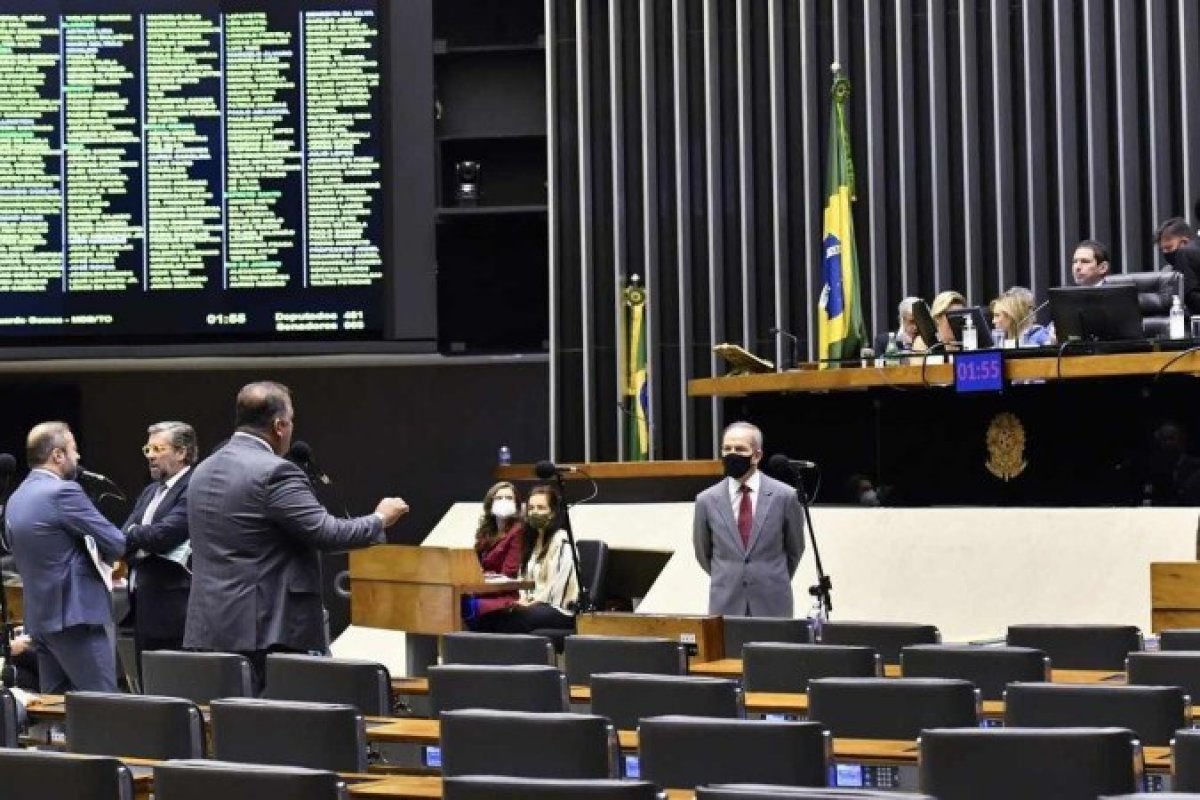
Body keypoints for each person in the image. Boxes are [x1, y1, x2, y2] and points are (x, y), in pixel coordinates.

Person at [183, 381, 410, 689]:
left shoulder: (202, 471)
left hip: (210, 626)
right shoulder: (275, 472)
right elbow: (326, 533)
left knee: (229, 725)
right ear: (279, 425)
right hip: (267, 631)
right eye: (291, 421)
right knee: (279, 727)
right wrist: (380, 519)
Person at [5, 422, 125, 692]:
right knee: (105, 706)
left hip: (41, 620)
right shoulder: (63, 492)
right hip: (76, 617)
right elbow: (117, 543)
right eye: (74, 449)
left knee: (60, 709)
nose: (78, 457)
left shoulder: (17, 497)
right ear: (58, 455)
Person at [693, 421, 805, 617]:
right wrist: (731, 575)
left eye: (740, 449)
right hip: (726, 604)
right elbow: (704, 553)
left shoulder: (785, 496)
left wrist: (768, 577)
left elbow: (795, 549)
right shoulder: (706, 500)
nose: (732, 454)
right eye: (727, 449)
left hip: (772, 604)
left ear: (757, 455)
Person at [121, 421, 197, 674]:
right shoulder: (150, 492)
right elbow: (122, 539)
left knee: (176, 684)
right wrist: (138, 537)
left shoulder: (194, 485)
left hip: (176, 605)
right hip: (145, 602)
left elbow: (165, 535)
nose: (151, 456)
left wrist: (136, 535)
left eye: (158, 448)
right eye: (148, 449)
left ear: (181, 452)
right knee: (148, 688)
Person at [477, 484, 578, 634]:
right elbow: (524, 578)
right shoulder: (534, 542)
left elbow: (557, 588)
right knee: (491, 615)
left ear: (553, 512)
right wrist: (522, 599)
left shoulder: (562, 540)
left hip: (558, 608)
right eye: (531, 508)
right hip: (534, 604)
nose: (535, 512)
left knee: (510, 621)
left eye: (541, 508)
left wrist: (532, 603)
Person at [463, 481, 526, 630]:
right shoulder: (486, 531)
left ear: (517, 503)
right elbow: (474, 565)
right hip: (480, 591)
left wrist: (482, 578)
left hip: (501, 595)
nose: (504, 501)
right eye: (499, 498)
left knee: (467, 606)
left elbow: (509, 573)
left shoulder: (518, 531)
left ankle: (475, 644)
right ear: (490, 503)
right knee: (448, 602)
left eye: (509, 498)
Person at [1155, 217, 1200, 314]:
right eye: (1162, 250)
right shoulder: (1167, 272)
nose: (1165, 253)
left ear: (1184, 243)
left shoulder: (1187, 255)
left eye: (1169, 247)